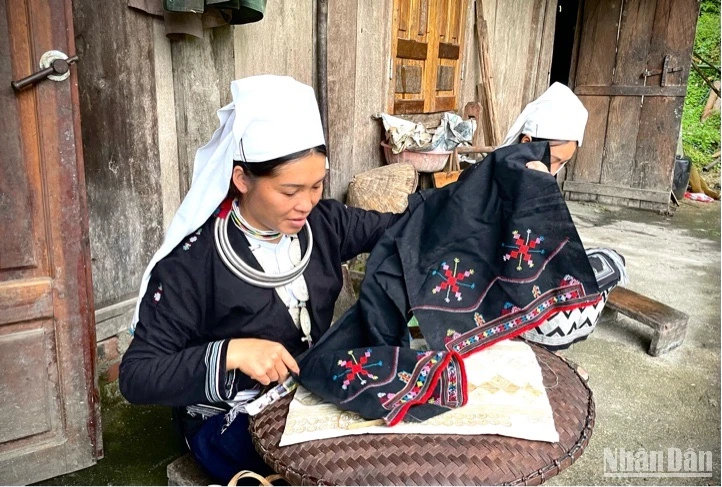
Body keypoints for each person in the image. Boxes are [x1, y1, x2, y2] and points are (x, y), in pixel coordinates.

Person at [119, 75, 404, 483]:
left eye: (317, 185)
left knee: (393, 445)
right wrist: (232, 352)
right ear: (242, 180)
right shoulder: (192, 265)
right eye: (289, 191)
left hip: (308, 389)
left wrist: (499, 186)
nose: (306, 203)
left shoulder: (324, 223)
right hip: (230, 417)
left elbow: (404, 227)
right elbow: (137, 376)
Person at [499, 82, 628, 352]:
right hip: (522, 310)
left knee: (596, 257)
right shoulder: (521, 183)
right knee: (610, 263)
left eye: (563, 163)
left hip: (515, 288)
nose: (556, 170)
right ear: (527, 143)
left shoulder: (518, 171)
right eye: (555, 160)